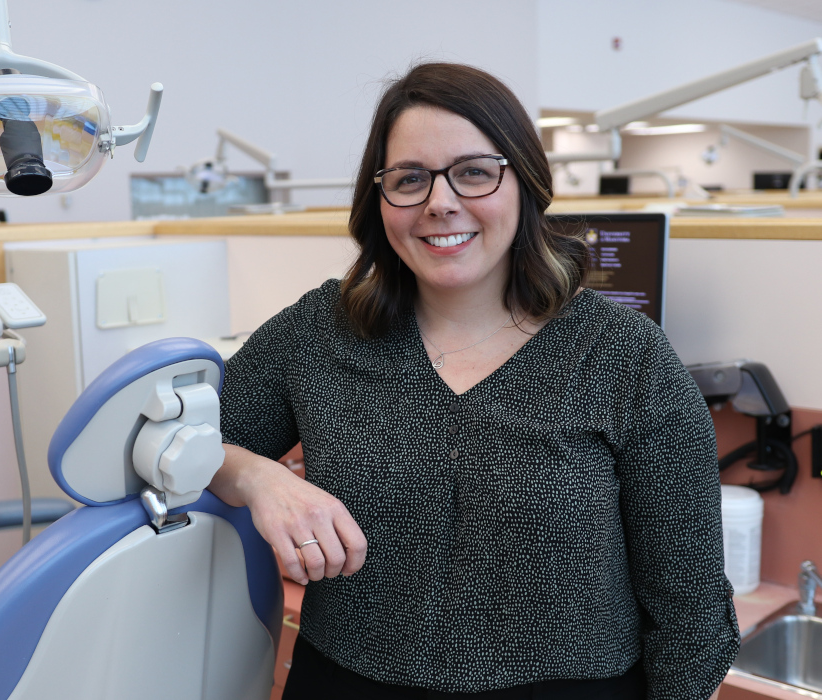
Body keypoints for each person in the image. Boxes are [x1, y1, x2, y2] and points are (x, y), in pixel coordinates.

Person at [208, 63, 739, 700]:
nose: (440, 202)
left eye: (474, 172)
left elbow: (693, 613)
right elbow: (178, 442)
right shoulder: (322, 332)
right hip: (344, 680)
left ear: (525, 184)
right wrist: (254, 475)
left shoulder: (625, 357)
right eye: (409, 178)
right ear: (379, 202)